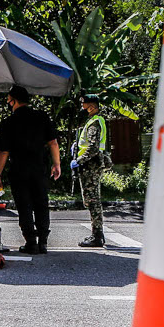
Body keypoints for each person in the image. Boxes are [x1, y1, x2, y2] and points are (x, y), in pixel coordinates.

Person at [0, 85, 61, 254]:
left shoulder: (8, 122)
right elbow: (53, 142)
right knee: (41, 203)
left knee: (24, 205)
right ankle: (43, 242)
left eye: (9, 100)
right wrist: (56, 164)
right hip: (39, 168)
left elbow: (3, 152)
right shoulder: (42, 117)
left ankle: (31, 242)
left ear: (13, 101)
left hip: (19, 169)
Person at [71, 94, 111, 247]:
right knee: (91, 199)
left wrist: (78, 160)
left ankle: (97, 235)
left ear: (92, 106)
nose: (82, 107)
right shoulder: (92, 121)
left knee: (93, 200)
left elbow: (93, 148)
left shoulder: (95, 122)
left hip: (91, 165)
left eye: (84, 104)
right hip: (90, 165)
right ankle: (97, 233)